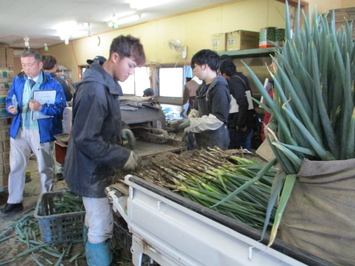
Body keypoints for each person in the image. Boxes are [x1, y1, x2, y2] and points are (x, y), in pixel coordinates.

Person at [63, 35, 145, 266]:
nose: (131, 72)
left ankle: (92, 249)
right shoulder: (95, 89)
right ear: (115, 57)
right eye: (130, 65)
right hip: (90, 171)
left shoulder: (106, 81)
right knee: (101, 224)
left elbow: (105, 119)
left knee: (94, 218)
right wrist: (123, 156)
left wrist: (122, 128)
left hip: (94, 166)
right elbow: (86, 139)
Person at [1, 49, 66, 214]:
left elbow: (60, 108)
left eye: (30, 64)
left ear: (40, 64)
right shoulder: (18, 80)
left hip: (40, 131)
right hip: (20, 129)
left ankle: (46, 202)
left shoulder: (53, 84)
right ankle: (14, 200)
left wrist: (41, 108)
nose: (26, 68)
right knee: (16, 166)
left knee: (44, 167)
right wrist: (11, 107)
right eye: (23, 65)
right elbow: (11, 98)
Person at [179, 49, 231, 150]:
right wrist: (190, 118)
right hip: (202, 138)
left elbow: (218, 119)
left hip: (216, 142)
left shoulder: (219, 88)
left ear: (205, 66)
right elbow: (196, 109)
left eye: (195, 67)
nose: (194, 70)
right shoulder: (202, 87)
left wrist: (192, 123)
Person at [219, 59, 257, 151]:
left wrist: (240, 123)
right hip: (249, 119)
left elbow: (243, 103)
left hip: (242, 124)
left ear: (224, 74)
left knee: (239, 152)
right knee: (246, 149)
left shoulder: (234, 82)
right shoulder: (242, 77)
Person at [182, 76, 202, 150]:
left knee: (193, 132)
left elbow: (184, 101)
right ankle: (191, 149)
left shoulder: (189, 85)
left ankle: (192, 149)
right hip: (195, 111)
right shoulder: (201, 86)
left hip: (202, 117)